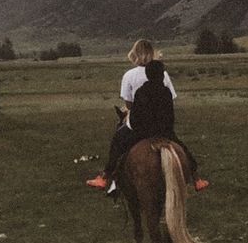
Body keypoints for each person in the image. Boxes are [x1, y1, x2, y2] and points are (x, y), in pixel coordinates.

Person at [86, 40, 207, 194]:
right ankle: (196, 178)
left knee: (118, 141)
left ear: (134, 54)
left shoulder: (129, 75)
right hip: (162, 125)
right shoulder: (163, 74)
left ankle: (105, 177)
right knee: (181, 147)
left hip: (140, 126)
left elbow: (129, 105)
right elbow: (170, 99)